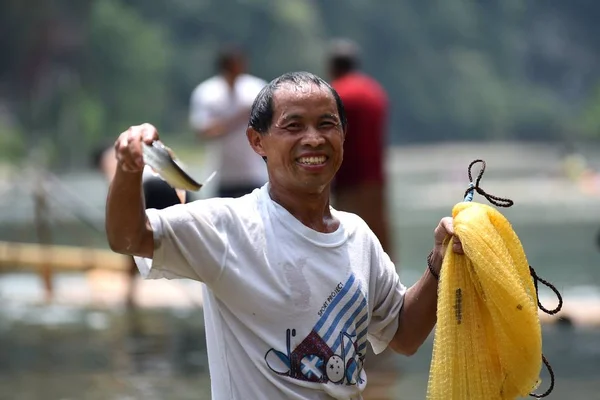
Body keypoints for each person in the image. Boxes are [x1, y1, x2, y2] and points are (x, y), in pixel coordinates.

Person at [105, 71, 463, 399]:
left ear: (342, 136)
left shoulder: (359, 237)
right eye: (293, 126)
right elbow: (127, 237)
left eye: (327, 124)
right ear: (257, 141)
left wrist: (439, 260)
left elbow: (404, 335)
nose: (313, 139)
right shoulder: (229, 226)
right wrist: (127, 168)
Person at [92, 144, 188, 308]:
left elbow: (114, 184)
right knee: (182, 237)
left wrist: (117, 221)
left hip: (155, 187)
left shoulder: (112, 154)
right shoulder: (133, 146)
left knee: (130, 239)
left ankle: (130, 294)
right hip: (181, 185)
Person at [327, 39, 394, 260]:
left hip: (348, 181)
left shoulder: (336, 94)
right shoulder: (374, 91)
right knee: (381, 246)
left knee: (350, 247)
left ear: (333, 67)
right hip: (376, 179)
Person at [189, 45, 268, 198]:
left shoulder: (256, 88)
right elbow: (203, 132)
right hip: (222, 175)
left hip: (254, 173)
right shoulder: (207, 92)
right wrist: (240, 118)